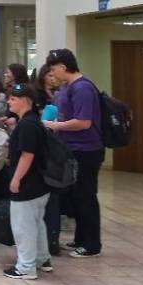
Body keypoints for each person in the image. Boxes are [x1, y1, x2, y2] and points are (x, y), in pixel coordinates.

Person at [44, 48, 103, 258]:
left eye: (53, 69)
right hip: (71, 149)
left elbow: (83, 122)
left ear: (63, 67)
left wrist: (55, 125)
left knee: (85, 196)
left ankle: (92, 244)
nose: (52, 73)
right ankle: (80, 238)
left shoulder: (83, 88)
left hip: (86, 150)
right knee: (76, 196)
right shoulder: (67, 87)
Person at [2, 84, 53, 279]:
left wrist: (16, 179)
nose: (9, 102)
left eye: (13, 98)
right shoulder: (33, 121)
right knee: (37, 223)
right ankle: (42, 259)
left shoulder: (27, 125)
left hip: (28, 184)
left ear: (24, 100)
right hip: (39, 185)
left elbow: (27, 155)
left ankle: (25, 267)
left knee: (23, 226)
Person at [35, 64, 62, 255]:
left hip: (56, 148)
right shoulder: (37, 95)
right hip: (42, 146)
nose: (53, 78)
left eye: (55, 75)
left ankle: (52, 240)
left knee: (53, 197)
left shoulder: (61, 94)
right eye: (49, 75)